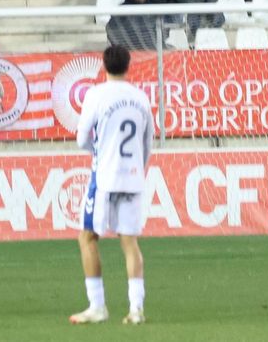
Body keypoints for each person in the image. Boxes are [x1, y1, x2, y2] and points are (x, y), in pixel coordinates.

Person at [69, 43, 154, 326]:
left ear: (103, 66)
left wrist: (100, 152)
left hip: (105, 178)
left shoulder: (96, 95)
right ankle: (136, 309)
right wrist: (137, 169)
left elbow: (82, 139)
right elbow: (148, 142)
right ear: (129, 66)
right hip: (133, 177)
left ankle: (97, 306)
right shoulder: (140, 97)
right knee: (129, 242)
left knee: (87, 237)